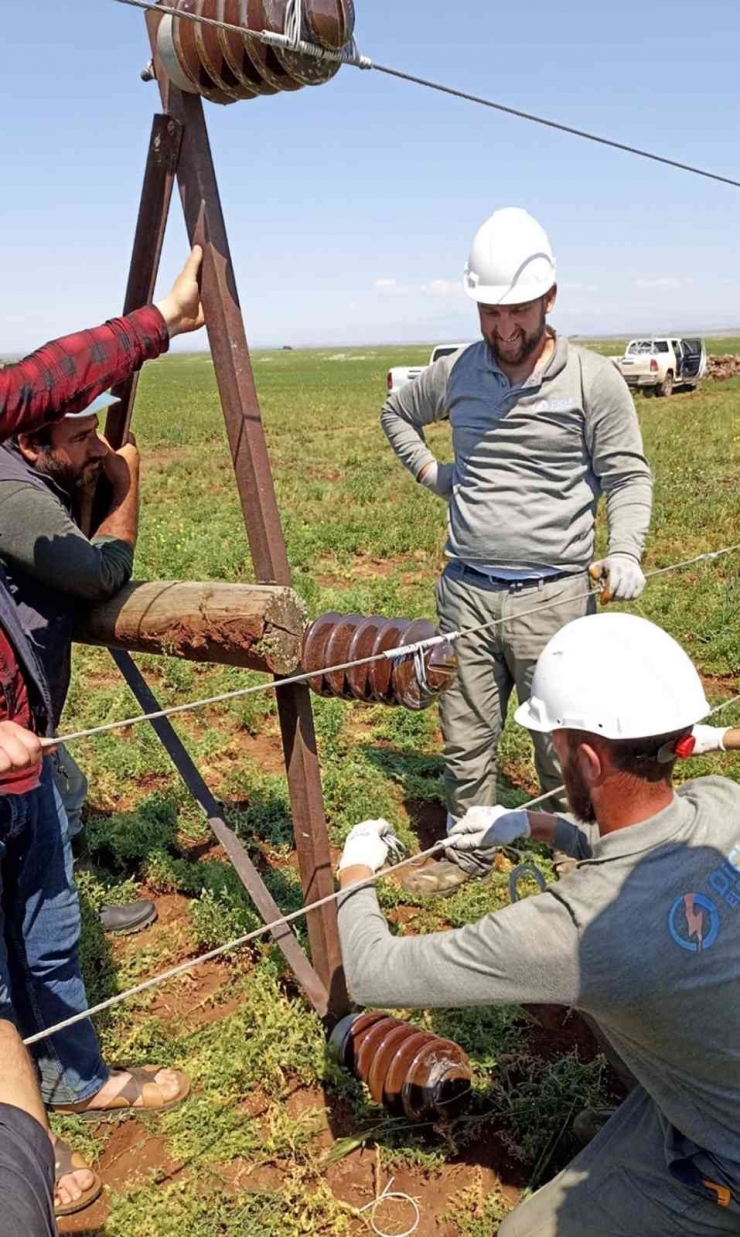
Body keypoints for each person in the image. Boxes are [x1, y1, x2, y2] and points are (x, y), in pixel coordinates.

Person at [337, 613, 740, 1236]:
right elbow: (640, 853)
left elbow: (372, 970)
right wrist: (535, 825)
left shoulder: (578, 931)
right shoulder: (721, 802)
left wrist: (355, 868)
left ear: (586, 759)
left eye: (552, 738)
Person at [0, 248, 205, 1217]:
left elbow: (50, 372)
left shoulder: (26, 450)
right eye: (82, 436)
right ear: (36, 452)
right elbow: (91, 573)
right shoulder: (9, 485)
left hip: (21, 761)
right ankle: (23, 1154)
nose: (92, 441)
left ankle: (75, 1076)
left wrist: (158, 319)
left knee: (45, 931)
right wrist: (125, 492)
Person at [380, 208, 653, 894]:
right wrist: (434, 475)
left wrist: (625, 550)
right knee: (465, 735)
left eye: (519, 313)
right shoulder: (459, 370)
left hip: (555, 594)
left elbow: (627, 477)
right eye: (490, 313)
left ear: (550, 299)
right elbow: (397, 413)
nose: (505, 330)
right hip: (466, 588)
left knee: (563, 741)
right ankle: (467, 850)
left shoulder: (594, 381)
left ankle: (577, 854)